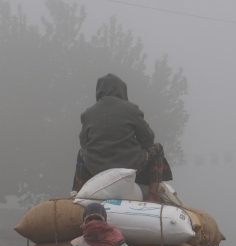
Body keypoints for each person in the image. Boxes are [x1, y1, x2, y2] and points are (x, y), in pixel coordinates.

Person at [73, 73, 173, 203]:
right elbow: (148, 139)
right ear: (122, 90)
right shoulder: (131, 109)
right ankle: (153, 197)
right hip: (129, 165)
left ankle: (78, 195)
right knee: (157, 148)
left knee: (81, 154)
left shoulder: (88, 113)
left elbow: (84, 144)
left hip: (97, 168)